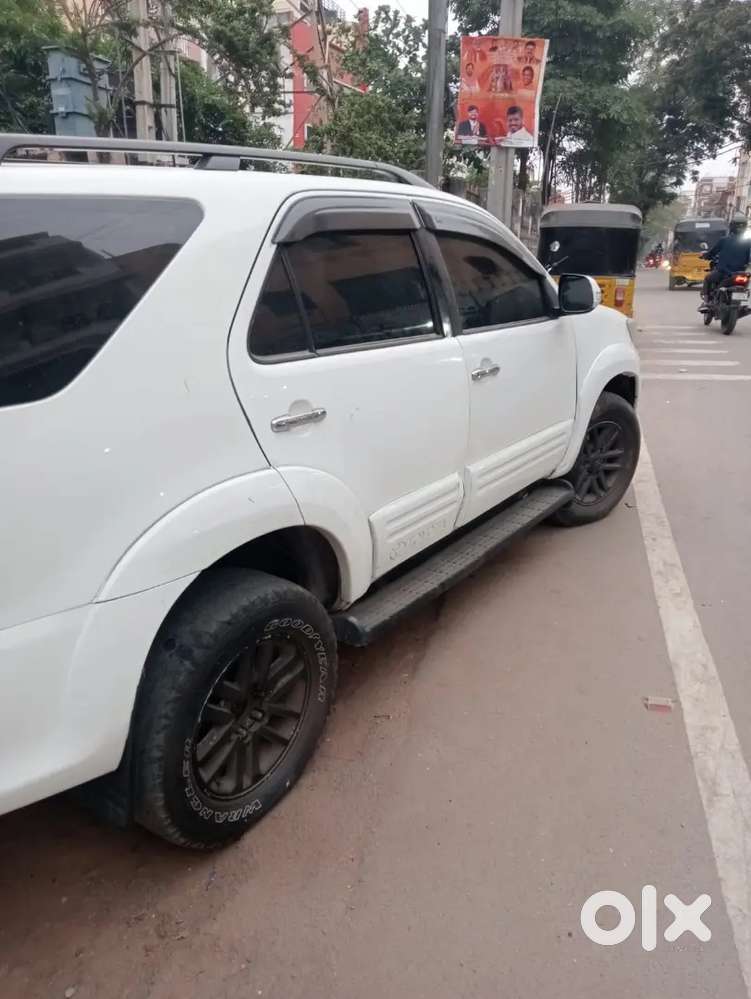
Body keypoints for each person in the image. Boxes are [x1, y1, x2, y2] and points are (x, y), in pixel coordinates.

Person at [700, 213, 751, 308]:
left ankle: (707, 302)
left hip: (723, 272)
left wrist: (705, 256)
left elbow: (712, 253)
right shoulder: (748, 243)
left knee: (707, 278)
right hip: (740, 274)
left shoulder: (724, 240)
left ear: (731, 226)